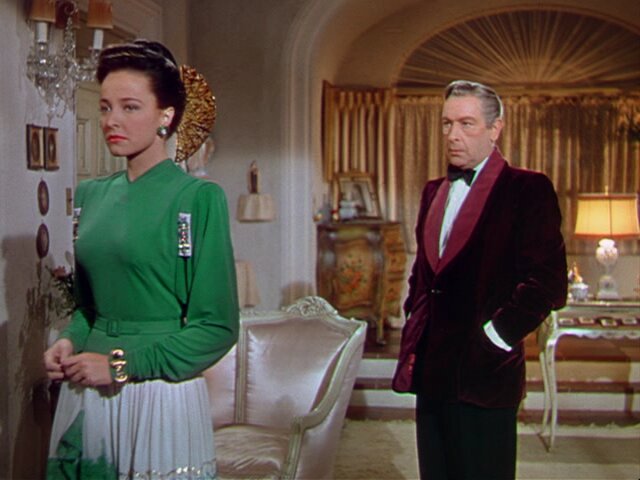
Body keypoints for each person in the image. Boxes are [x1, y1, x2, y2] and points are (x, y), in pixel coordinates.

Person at [43, 40, 239, 479]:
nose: (111, 120)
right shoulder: (91, 195)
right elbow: (89, 308)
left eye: (129, 107)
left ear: (166, 116)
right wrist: (69, 341)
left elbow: (218, 327)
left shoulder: (197, 199)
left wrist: (121, 365)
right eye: (106, 107)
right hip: (87, 387)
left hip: (157, 393)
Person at [392, 80, 567, 480]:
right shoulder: (433, 191)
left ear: (495, 128)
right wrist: (415, 321)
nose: (453, 135)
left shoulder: (527, 188)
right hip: (432, 372)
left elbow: (548, 283)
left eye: (466, 124)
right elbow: (424, 275)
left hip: (485, 371)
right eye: (447, 124)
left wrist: (495, 338)